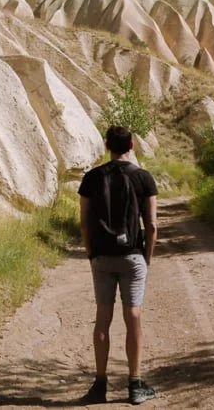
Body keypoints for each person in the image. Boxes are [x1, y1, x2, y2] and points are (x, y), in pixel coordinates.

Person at [79, 125, 159, 405]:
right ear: (132, 146)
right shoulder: (144, 178)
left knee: (103, 316)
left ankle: (99, 386)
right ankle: (135, 385)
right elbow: (151, 225)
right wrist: (146, 258)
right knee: (133, 316)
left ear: (107, 146)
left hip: (101, 256)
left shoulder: (91, 178)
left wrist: (91, 253)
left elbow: (85, 222)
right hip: (133, 256)